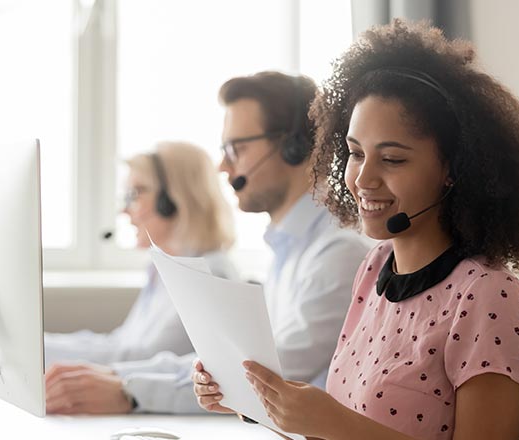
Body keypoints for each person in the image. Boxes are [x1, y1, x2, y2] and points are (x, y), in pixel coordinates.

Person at [194, 20, 519, 440]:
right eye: (355, 153)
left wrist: (332, 422)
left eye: (393, 159)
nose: (363, 179)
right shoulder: (375, 270)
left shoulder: (488, 297)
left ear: (453, 171)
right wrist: (254, 399)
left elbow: (348, 428)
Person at [45, 71, 369, 415]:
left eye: (237, 149)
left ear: (295, 148)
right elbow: (227, 363)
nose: (223, 165)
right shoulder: (289, 252)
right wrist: (120, 378)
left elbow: (267, 377)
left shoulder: (336, 253)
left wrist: (132, 390)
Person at [43, 141, 238, 413]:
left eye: (136, 194)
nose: (125, 211)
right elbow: (120, 344)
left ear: (172, 199)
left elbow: (139, 356)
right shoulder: (164, 269)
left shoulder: (209, 273)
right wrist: (34, 343)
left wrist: (34, 350)